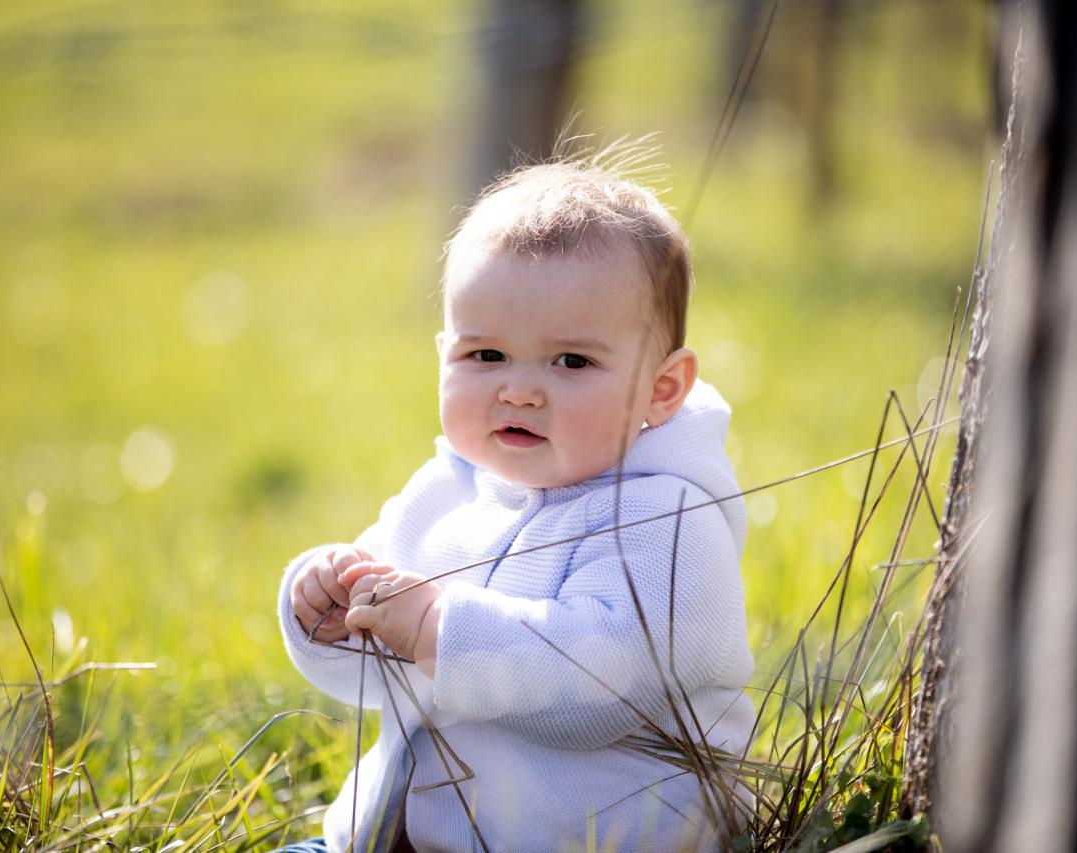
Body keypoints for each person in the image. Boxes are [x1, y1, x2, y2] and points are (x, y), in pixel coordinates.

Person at [277, 153, 754, 852]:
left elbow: (605, 682)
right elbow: (381, 667)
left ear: (662, 388)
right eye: (486, 356)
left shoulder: (669, 523)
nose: (520, 390)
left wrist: (439, 627)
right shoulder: (448, 489)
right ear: (445, 355)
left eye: (571, 362)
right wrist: (324, 609)